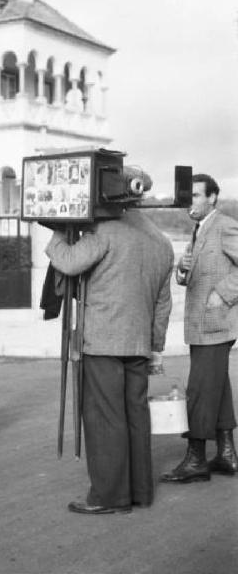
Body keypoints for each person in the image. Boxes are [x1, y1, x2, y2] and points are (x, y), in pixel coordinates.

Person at [45, 207, 174, 514]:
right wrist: (155, 345)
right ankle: (139, 491)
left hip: (103, 340)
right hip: (139, 342)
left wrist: (61, 230)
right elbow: (163, 303)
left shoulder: (105, 231)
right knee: (135, 417)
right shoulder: (161, 240)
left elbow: (68, 261)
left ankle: (109, 496)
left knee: (105, 419)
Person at [161, 174, 238, 483]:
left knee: (199, 390)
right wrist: (182, 270)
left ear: (212, 198)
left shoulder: (224, 225)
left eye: (196, 195)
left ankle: (196, 460)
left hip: (216, 324)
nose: (190, 201)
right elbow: (195, 274)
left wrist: (224, 292)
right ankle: (227, 455)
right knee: (217, 387)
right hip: (203, 325)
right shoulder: (200, 228)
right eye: (188, 196)